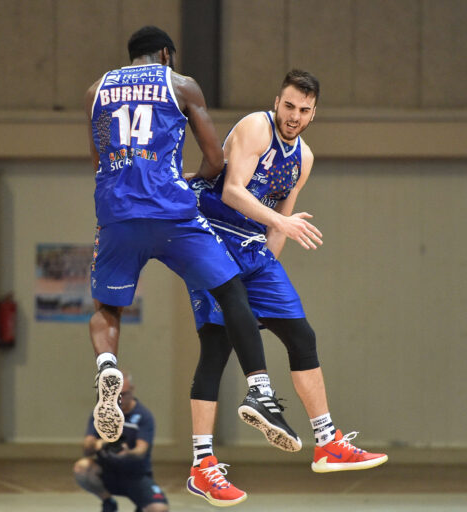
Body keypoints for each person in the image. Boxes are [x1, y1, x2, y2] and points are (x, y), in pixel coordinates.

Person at [84, 26, 316, 459]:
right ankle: (260, 390)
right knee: (232, 291)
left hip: (116, 215)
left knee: (106, 308)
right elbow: (216, 160)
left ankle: (107, 367)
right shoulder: (180, 85)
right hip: (173, 213)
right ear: (167, 54)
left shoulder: (96, 90)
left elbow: (99, 160)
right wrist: (193, 181)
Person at [185, 70, 388, 505]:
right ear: (278, 101)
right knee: (216, 348)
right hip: (211, 236)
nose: (294, 116)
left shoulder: (304, 158)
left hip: (255, 248)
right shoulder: (256, 127)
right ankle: (202, 465)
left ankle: (327, 441)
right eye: (289, 105)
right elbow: (235, 192)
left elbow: (281, 221)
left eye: (304, 110)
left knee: (302, 335)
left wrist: (266, 272)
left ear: (315, 114)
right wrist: (280, 224)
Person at [73, 371, 168, 512]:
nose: (120, 400)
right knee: (82, 468)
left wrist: (128, 453)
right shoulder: (101, 412)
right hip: (107, 472)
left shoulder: (143, 416)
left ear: (132, 390)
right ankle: (108, 501)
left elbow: (142, 451)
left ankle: (142, 505)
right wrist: (98, 444)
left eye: (124, 394)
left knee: (159, 509)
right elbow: (86, 450)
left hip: (135, 476)